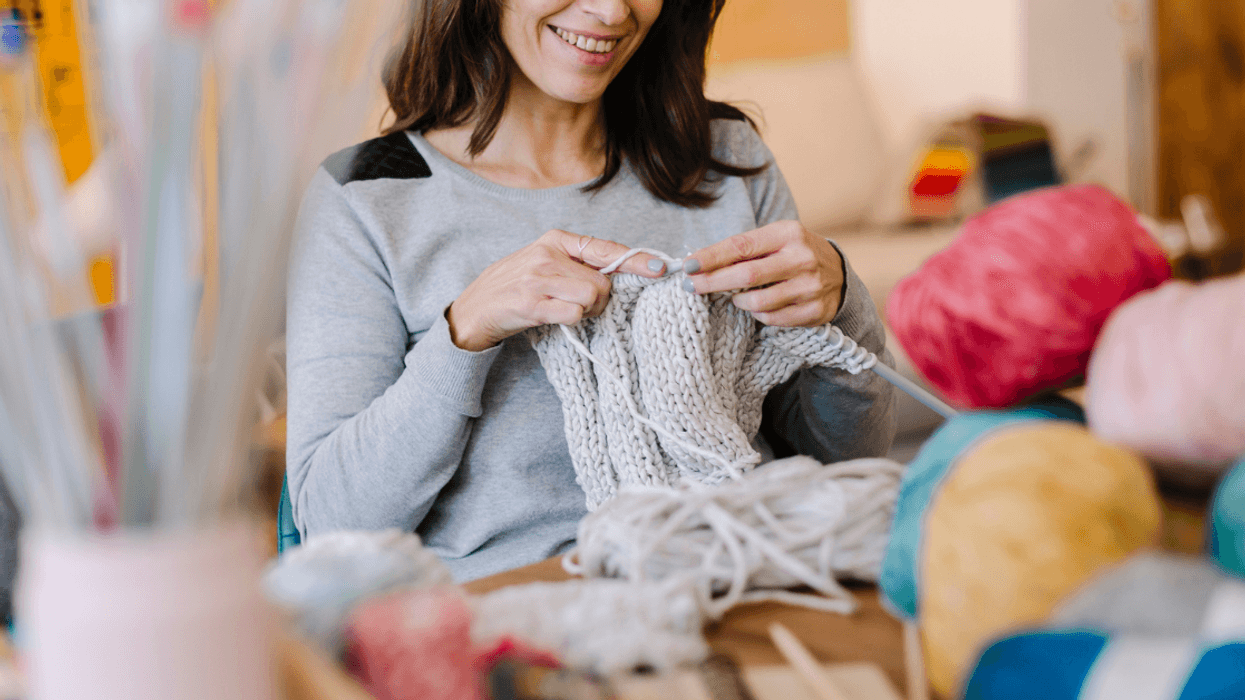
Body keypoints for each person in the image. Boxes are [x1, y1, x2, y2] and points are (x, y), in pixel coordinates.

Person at [286, 0, 897, 581]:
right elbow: (332, 524)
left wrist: (844, 303)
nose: (611, 12)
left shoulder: (726, 154)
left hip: (739, 575)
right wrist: (463, 331)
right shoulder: (362, 198)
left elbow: (845, 463)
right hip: (520, 620)